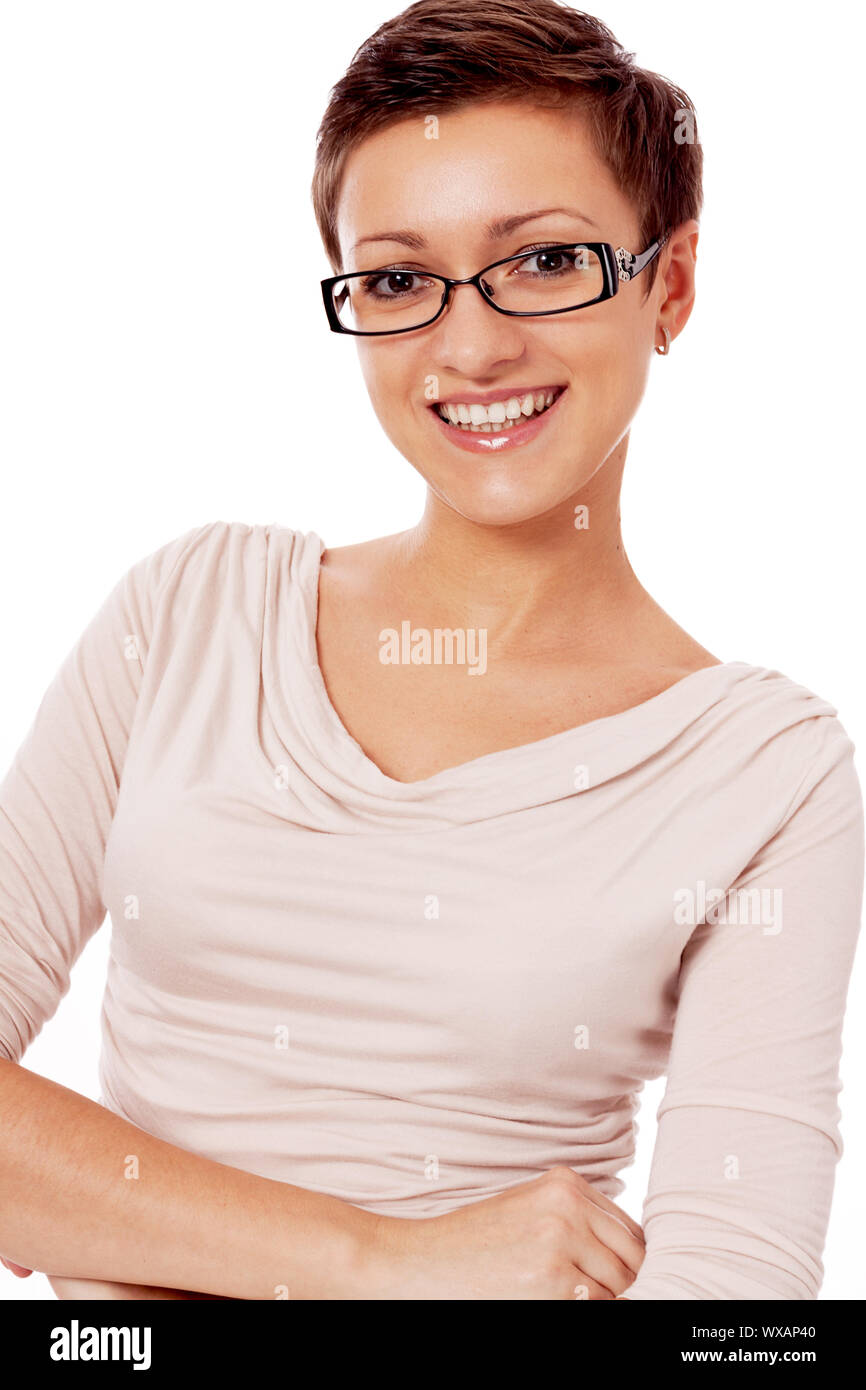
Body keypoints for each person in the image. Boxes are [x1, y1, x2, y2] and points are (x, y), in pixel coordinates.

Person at [1, 0, 862, 1301]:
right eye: (399, 278)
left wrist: (96, 1207)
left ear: (667, 285)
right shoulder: (188, 612)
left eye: (545, 261)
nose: (470, 345)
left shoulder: (762, 770)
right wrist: (386, 1259)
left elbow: (731, 1305)